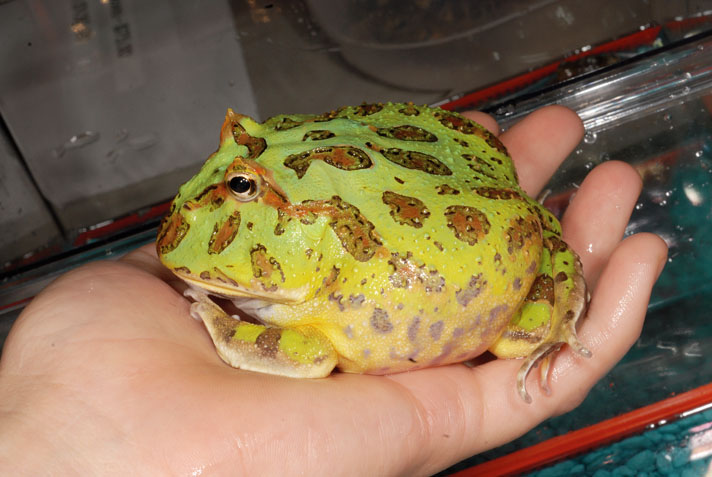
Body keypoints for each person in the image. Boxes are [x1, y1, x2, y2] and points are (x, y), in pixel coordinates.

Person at [0, 106, 667, 475]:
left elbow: (308, 355)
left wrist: (225, 324)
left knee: (525, 332)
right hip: (448, 166)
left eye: (243, 192)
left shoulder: (310, 259)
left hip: (506, 252)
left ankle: (549, 319)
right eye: (236, 182)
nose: (198, 205)